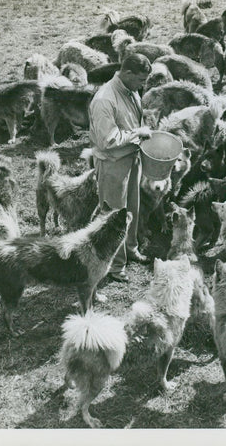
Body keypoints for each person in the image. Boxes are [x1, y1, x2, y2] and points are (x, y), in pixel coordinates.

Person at [88, 53, 153, 282]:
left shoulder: (130, 89)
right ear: (127, 73)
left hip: (131, 156)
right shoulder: (105, 99)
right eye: (140, 80)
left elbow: (133, 119)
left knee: (132, 209)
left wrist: (143, 126)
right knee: (114, 216)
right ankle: (115, 266)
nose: (143, 85)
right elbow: (108, 139)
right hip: (113, 163)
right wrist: (138, 133)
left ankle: (131, 248)